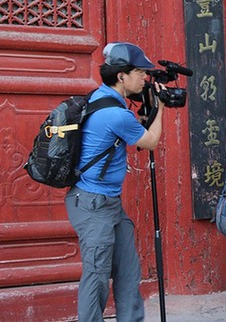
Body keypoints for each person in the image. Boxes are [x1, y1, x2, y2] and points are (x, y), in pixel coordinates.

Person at [64, 42, 166, 322]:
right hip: (93, 204)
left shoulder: (102, 97)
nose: (145, 78)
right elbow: (151, 141)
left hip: (108, 204)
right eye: (139, 72)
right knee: (96, 276)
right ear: (121, 76)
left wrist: (148, 113)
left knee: (128, 271)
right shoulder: (115, 114)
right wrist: (163, 108)